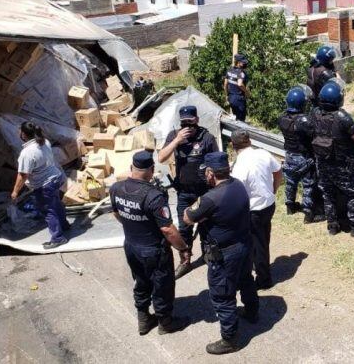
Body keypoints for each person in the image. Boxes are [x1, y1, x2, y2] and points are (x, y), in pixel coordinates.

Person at [184, 152, 259, 355]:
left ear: (210, 172)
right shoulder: (238, 186)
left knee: (222, 296)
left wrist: (198, 202)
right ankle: (252, 312)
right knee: (245, 280)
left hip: (225, 254)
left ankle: (230, 339)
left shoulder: (210, 198)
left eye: (205, 172)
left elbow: (187, 218)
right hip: (243, 245)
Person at [110, 151, 189, 336]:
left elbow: (116, 213)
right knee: (162, 285)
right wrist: (183, 248)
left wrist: (133, 225)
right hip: (153, 250)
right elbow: (168, 229)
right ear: (152, 170)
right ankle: (165, 322)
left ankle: (144, 320)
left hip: (131, 246)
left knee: (141, 281)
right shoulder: (154, 196)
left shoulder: (116, 188)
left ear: (132, 168)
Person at [159, 106, 219, 279]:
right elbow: (161, 158)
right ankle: (185, 262)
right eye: (184, 123)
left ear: (197, 120)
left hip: (204, 192)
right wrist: (177, 140)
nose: (188, 126)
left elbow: (216, 161)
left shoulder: (206, 137)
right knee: (184, 229)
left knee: (207, 227)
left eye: (191, 122)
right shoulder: (174, 136)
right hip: (184, 192)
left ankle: (209, 257)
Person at [311, 81, 354, 236]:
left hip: (323, 163)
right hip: (343, 165)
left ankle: (332, 225)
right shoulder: (343, 117)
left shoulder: (315, 113)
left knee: (328, 195)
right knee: (353, 194)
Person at [231, 130, 283, 290]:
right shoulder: (263, 153)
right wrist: (274, 189)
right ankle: (260, 265)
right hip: (269, 204)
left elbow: (237, 192)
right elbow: (278, 171)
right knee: (263, 238)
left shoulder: (239, 166)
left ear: (233, 146)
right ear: (249, 141)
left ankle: (264, 279)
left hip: (253, 210)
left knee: (256, 244)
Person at [10, 122, 69, 249]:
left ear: (24, 134)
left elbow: (23, 175)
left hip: (44, 185)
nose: (19, 133)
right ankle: (64, 225)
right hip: (55, 178)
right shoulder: (44, 142)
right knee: (56, 203)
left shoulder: (27, 153)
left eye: (20, 131)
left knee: (48, 211)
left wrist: (15, 192)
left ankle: (58, 238)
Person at [278, 87, 322, 223]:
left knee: (291, 182)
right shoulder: (304, 120)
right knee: (308, 185)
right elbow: (315, 134)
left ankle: (290, 206)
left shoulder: (282, 118)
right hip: (303, 157)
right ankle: (309, 214)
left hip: (289, 156)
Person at [224, 53, 250, 121]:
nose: (245, 64)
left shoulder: (229, 70)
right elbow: (240, 84)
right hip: (239, 99)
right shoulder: (241, 73)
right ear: (238, 63)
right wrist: (247, 92)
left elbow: (225, 84)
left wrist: (227, 95)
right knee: (241, 120)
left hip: (231, 97)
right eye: (243, 63)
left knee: (235, 117)